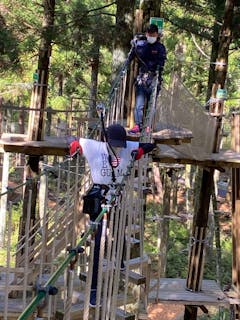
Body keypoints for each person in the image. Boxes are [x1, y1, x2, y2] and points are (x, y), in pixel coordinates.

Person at [69, 123, 156, 307]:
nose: (118, 147)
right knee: (99, 244)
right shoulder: (94, 147)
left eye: (120, 144)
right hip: (99, 200)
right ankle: (93, 289)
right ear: (106, 140)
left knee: (120, 229)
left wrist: (153, 144)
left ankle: (121, 260)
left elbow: (144, 147)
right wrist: (74, 146)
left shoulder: (127, 147)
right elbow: (74, 140)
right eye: (114, 143)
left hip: (117, 199)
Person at [127, 23, 167, 134]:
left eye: (153, 34)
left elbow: (161, 63)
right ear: (146, 33)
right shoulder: (141, 45)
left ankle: (148, 126)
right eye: (149, 34)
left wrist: (158, 68)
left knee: (151, 105)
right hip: (142, 79)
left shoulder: (160, 48)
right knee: (139, 105)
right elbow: (132, 55)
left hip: (154, 80)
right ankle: (137, 125)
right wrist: (134, 44)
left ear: (157, 34)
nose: (151, 36)